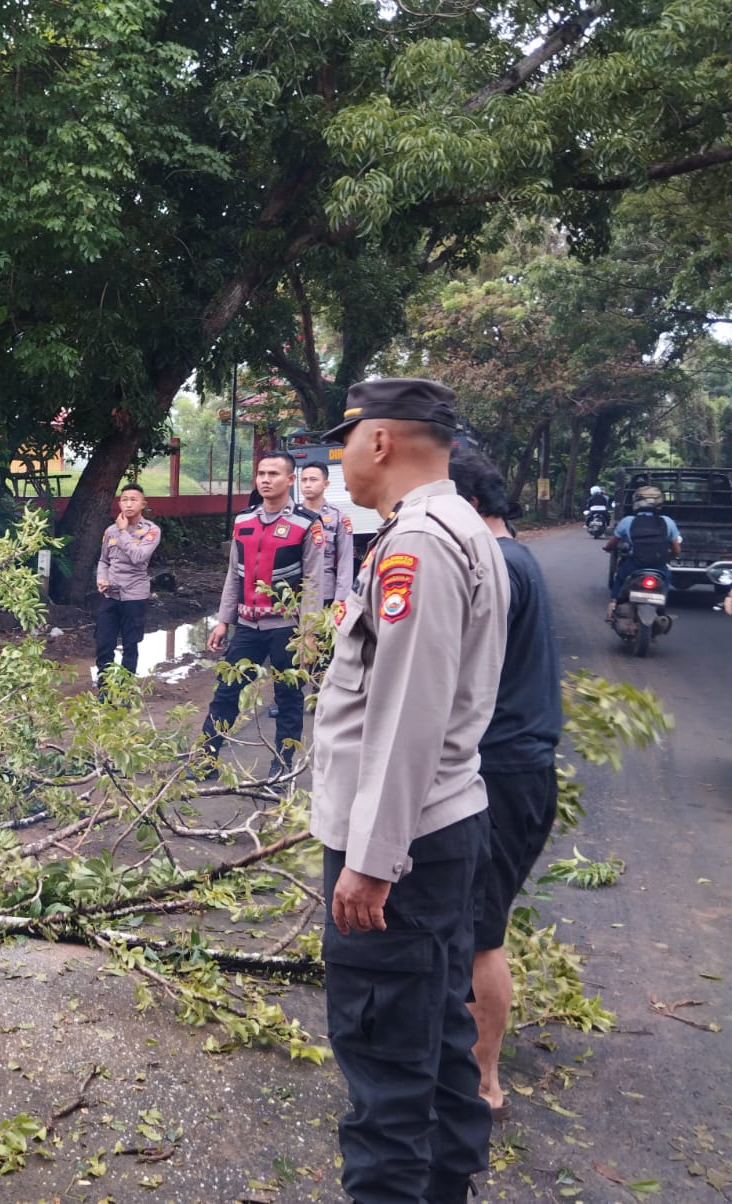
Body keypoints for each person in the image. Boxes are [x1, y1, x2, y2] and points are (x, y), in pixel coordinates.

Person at [311, 378, 508, 1204]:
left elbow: (404, 716)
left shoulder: (417, 543)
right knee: (437, 1033)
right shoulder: (458, 526)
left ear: (381, 441)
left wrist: (373, 860)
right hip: (440, 832)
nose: (339, 458)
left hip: (403, 850)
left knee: (386, 1063)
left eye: (344, 441)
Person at [449, 449, 563, 1125]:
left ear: (465, 502)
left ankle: (483, 1083)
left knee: (482, 932)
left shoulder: (499, 567)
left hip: (502, 772)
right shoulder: (519, 558)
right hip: (520, 767)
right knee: (474, 924)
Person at [201, 451, 323, 775]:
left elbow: (313, 582)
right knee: (225, 692)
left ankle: (281, 768)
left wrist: (307, 635)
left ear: (290, 479)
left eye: (274, 474)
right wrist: (223, 620)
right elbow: (233, 574)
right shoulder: (243, 522)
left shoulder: (307, 524)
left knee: (288, 699)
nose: (266, 479)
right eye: (261, 474)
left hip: (286, 628)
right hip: (247, 627)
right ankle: (206, 761)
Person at [94, 483, 162, 685]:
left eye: (134, 500)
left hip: (135, 596)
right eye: (124, 499)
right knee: (104, 644)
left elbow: (139, 557)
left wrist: (124, 532)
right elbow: (104, 560)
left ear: (143, 504)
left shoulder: (151, 531)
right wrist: (101, 578)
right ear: (119, 503)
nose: (129, 504)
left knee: (130, 645)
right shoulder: (110, 531)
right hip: (110, 595)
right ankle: (104, 691)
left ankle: (124, 690)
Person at [603, 485, 680, 618]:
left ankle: (614, 603)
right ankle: (661, 604)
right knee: (667, 578)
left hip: (634, 564)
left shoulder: (627, 521)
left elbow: (612, 543)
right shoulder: (668, 522)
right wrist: (672, 555)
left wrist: (607, 548)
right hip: (659, 565)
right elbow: (677, 549)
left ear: (636, 502)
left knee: (619, 578)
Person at [299, 460, 355, 604]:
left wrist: (341, 599)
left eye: (313, 480)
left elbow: (345, 561)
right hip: (294, 593)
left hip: (325, 593)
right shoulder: (293, 516)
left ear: (326, 484)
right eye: (304, 480)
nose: (307, 484)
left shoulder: (339, 517)